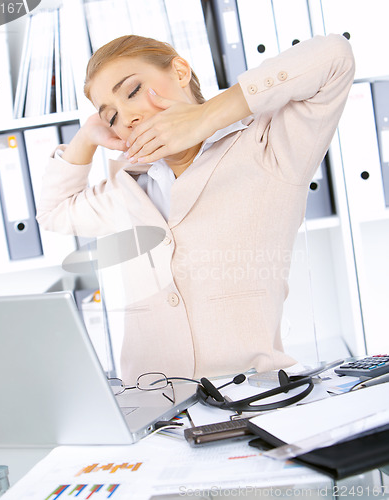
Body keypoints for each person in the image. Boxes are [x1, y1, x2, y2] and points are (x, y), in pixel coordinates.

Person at [37, 33, 355, 382]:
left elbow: (334, 57)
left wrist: (205, 117)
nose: (126, 117)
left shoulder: (268, 149)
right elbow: (53, 213)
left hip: (248, 395)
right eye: (111, 117)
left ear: (179, 71)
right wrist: (86, 137)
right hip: (153, 405)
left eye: (132, 91)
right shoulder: (128, 187)